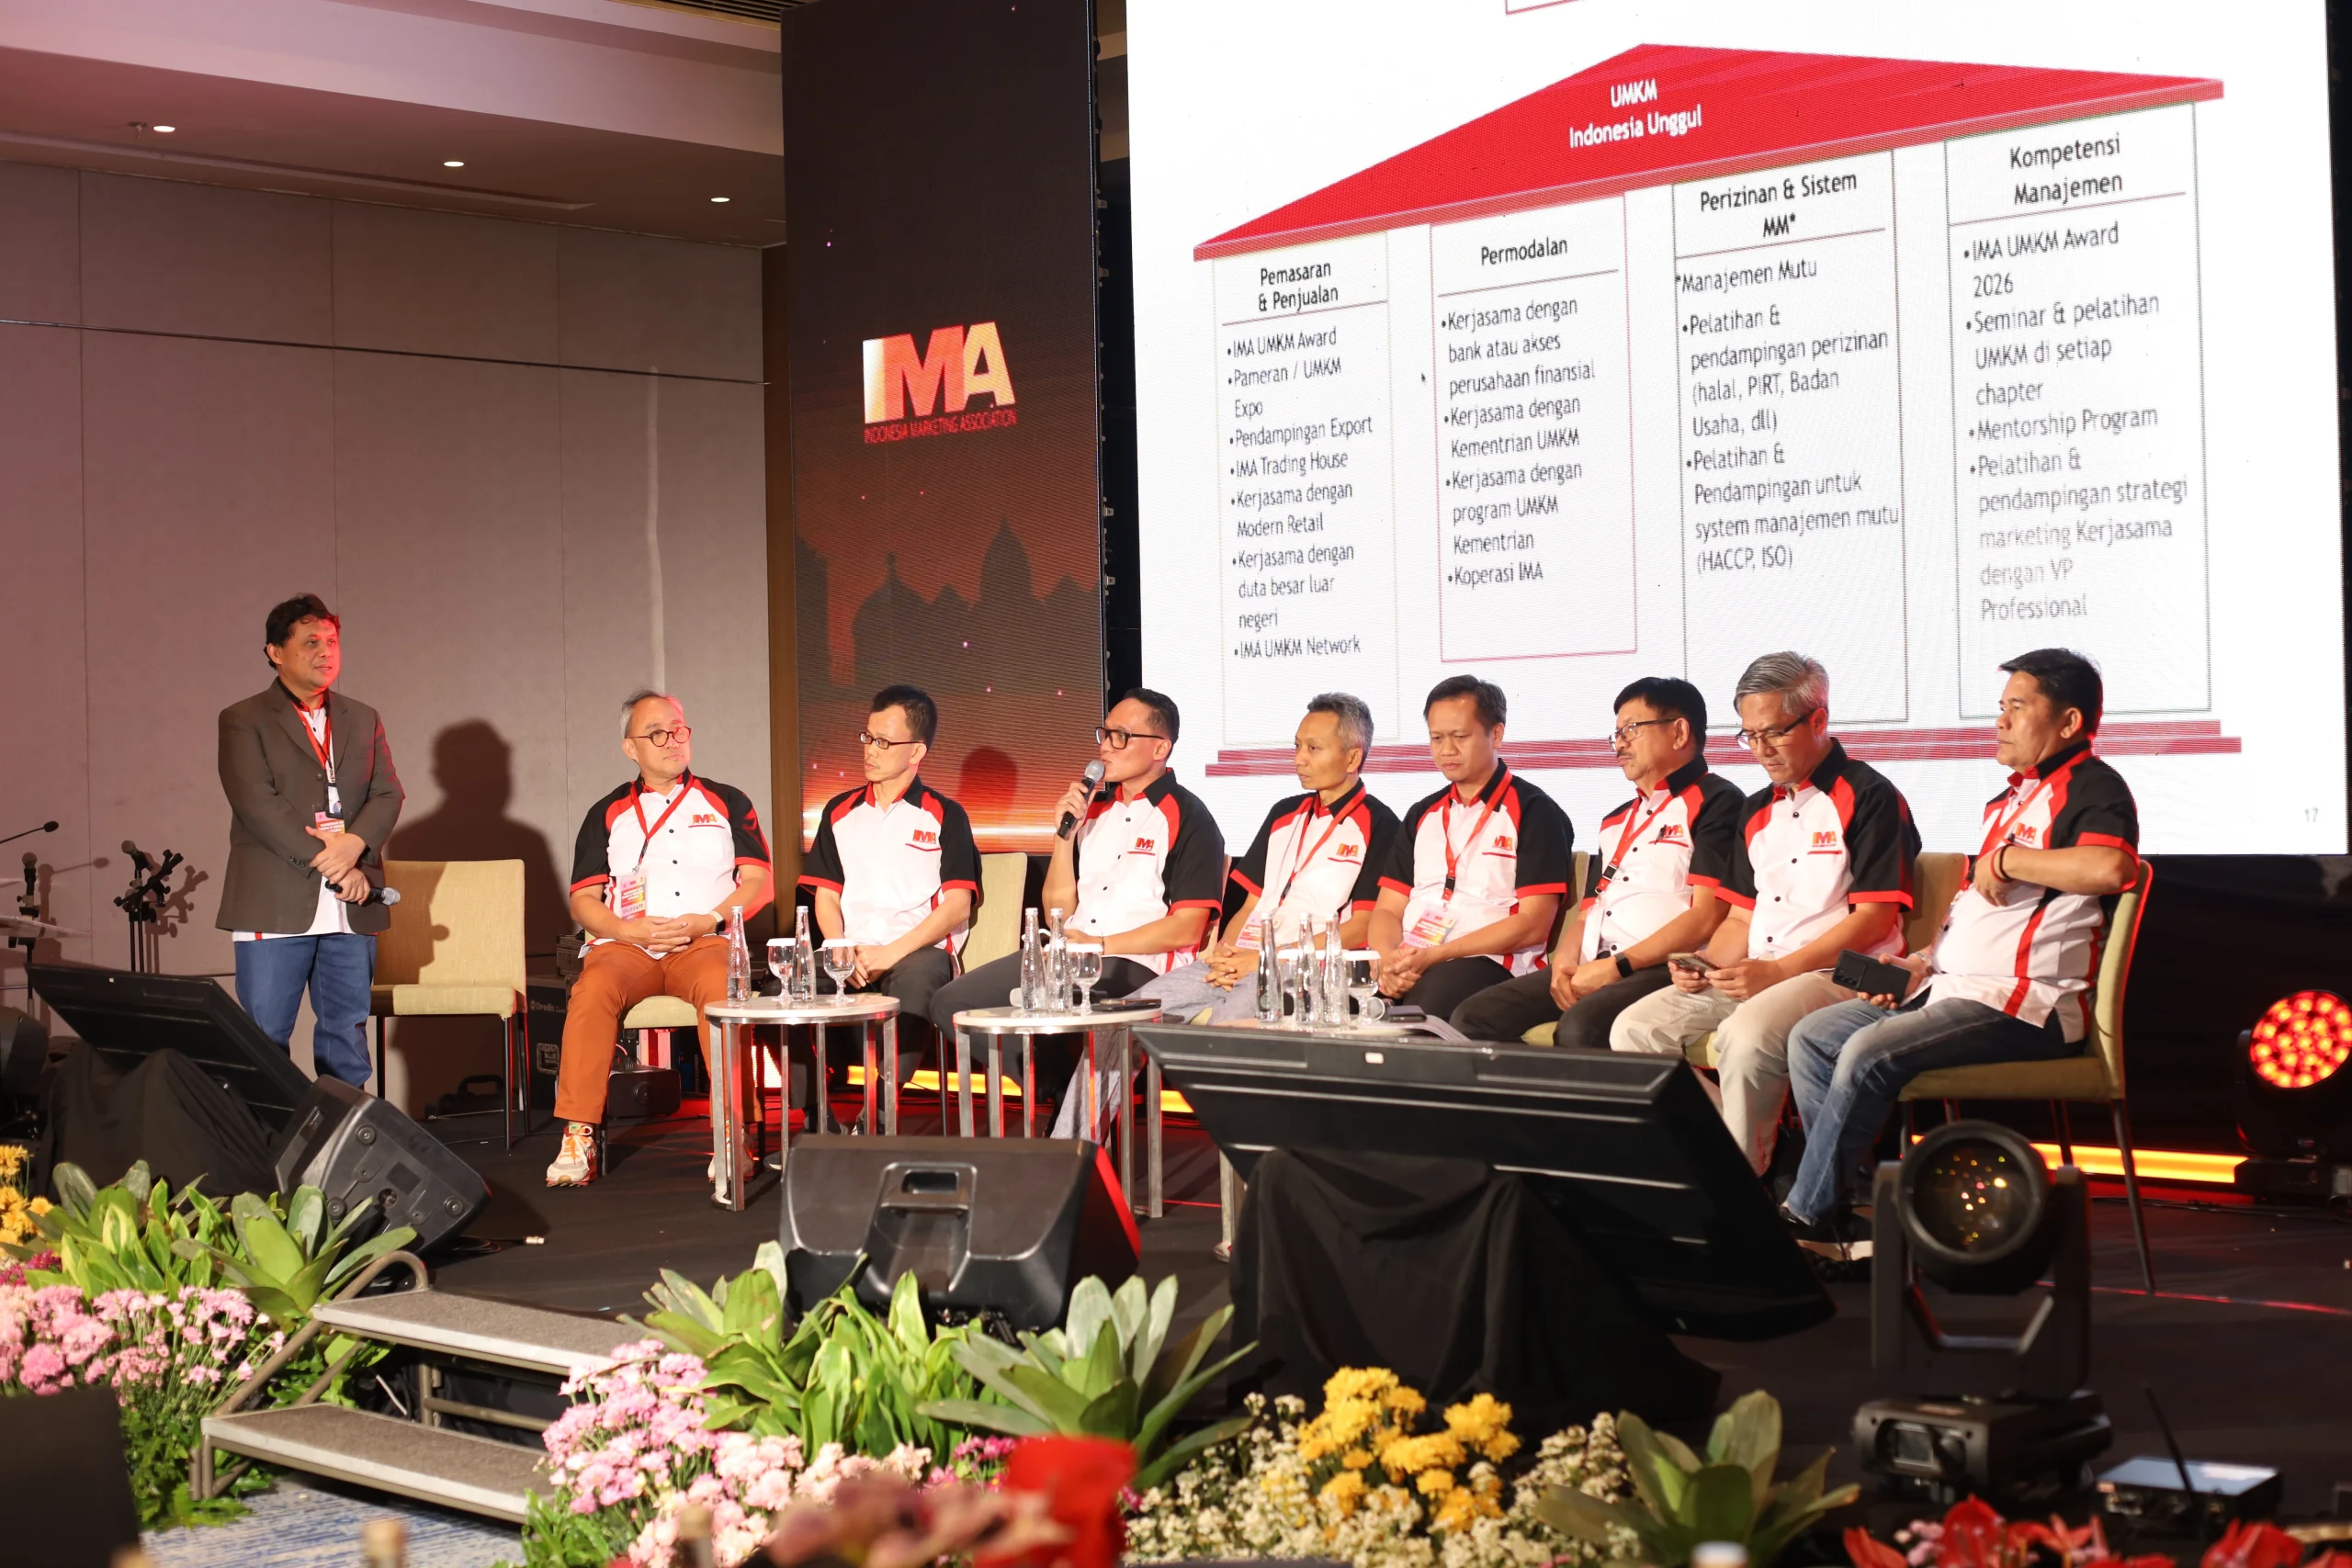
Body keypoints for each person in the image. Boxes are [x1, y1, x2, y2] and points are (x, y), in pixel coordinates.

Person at [1780, 649, 2138, 1245]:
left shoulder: (2092, 785)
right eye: (2001, 707)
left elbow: (2112, 867)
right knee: (1814, 1035)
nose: (2001, 720)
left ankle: (1805, 1219)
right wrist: (1920, 962)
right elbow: (1973, 913)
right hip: (1949, 989)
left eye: (2017, 707)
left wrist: (2009, 859)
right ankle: (1849, 1206)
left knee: (1867, 1053)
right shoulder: (2010, 801)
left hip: (2025, 1003)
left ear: (2069, 722)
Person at [1609, 652, 1919, 1176]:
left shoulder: (1870, 796)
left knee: (1745, 1034)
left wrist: (1778, 971)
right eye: (1749, 736)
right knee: (1634, 1031)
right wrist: (1704, 963)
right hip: (1761, 971)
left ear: (1818, 720)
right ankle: (1724, 1157)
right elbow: (1738, 919)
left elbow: (1873, 919)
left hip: (1843, 972)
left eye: (1773, 733)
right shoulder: (1755, 809)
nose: (1761, 750)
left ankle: (1743, 1184)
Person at [547, 690, 773, 1187]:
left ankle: (733, 1132)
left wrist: (708, 920)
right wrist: (624, 929)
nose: (672, 740)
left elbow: (759, 882)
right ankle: (579, 1132)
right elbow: (583, 901)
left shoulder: (727, 801)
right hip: (627, 945)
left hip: (703, 941)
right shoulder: (607, 812)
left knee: (724, 992)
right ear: (630, 747)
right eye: (657, 733)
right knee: (592, 989)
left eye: (679, 730)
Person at [926, 687, 1225, 1049]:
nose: (1106, 747)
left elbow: (1187, 928)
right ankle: (1047, 1079)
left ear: (1160, 748)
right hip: (1069, 954)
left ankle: (1060, 1079)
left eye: (1120, 736)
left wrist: (1100, 944)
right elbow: (1059, 913)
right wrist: (1064, 837)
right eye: (1105, 734)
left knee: (1058, 1005)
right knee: (951, 1003)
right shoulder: (1093, 811)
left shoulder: (1190, 817)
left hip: (1138, 963)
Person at [1453, 678, 1742, 1048]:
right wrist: (1563, 964)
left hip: (1661, 966)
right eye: (1617, 734)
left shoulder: (1719, 803)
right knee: (1473, 1018)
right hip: (1596, 961)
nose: (1620, 743)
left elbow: (1707, 915)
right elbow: (1588, 913)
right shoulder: (1616, 820)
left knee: (1580, 1028)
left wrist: (1619, 966)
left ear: (1679, 732)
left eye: (1632, 730)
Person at [216, 594, 403, 1089]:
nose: (326, 651)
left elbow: (388, 792)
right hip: (274, 901)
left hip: (351, 906)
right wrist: (335, 862)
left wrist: (355, 845)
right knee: (265, 1039)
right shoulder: (244, 718)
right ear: (275, 652)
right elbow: (256, 803)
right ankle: (266, 1138)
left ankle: (345, 1135)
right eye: (311, 642)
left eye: (332, 641)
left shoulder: (363, 717)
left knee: (347, 1035)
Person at [1139, 693, 1398, 1022]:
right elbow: (1251, 905)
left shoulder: (1380, 824)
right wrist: (1225, 954)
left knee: (1227, 1028)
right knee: (1131, 1012)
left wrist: (1266, 958)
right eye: (1297, 746)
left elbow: (1361, 928)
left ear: (1352, 758)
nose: (1299, 759)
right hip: (1246, 959)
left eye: (1313, 748)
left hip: (1306, 970)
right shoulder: (1284, 813)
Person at [1367, 676, 1573, 1023]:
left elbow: (1533, 924)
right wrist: (1387, 959)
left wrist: (1435, 955)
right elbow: (1387, 909)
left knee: (1422, 1009)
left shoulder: (1536, 811)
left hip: (1489, 962)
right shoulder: (1422, 814)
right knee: (1339, 1003)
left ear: (1496, 734)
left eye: (1460, 737)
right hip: (1413, 960)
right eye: (1437, 738)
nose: (1447, 750)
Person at [798, 685, 979, 1080]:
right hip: (848, 950)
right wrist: (839, 946)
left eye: (883, 742)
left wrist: (889, 953)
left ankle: (882, 1108)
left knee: (916, 984)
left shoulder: (945, 814)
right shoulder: (839, 810)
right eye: (867, 737)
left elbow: (957, 906)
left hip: (916, 950)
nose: (870, 751)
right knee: (783, 989)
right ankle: (812, 1110)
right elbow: (826, 894)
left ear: (915, 752)